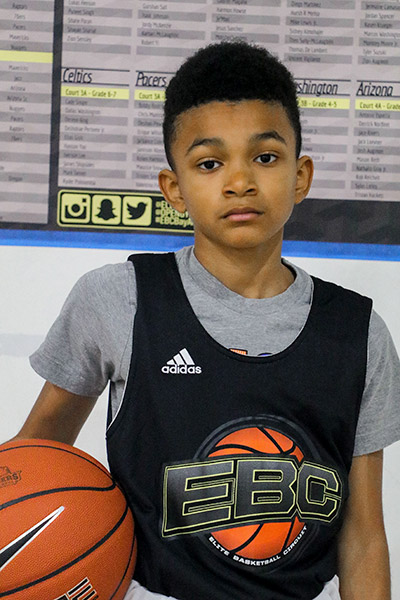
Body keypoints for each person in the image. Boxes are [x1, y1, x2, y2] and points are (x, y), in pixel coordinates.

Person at [11, 42, 400, 600]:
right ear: (174, 189)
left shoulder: (358, 334)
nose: (240, 181)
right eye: (210, 163)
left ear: (301, 176)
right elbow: (31, 466)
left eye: (265, 157)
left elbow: (362, 536)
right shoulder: (118, 299)